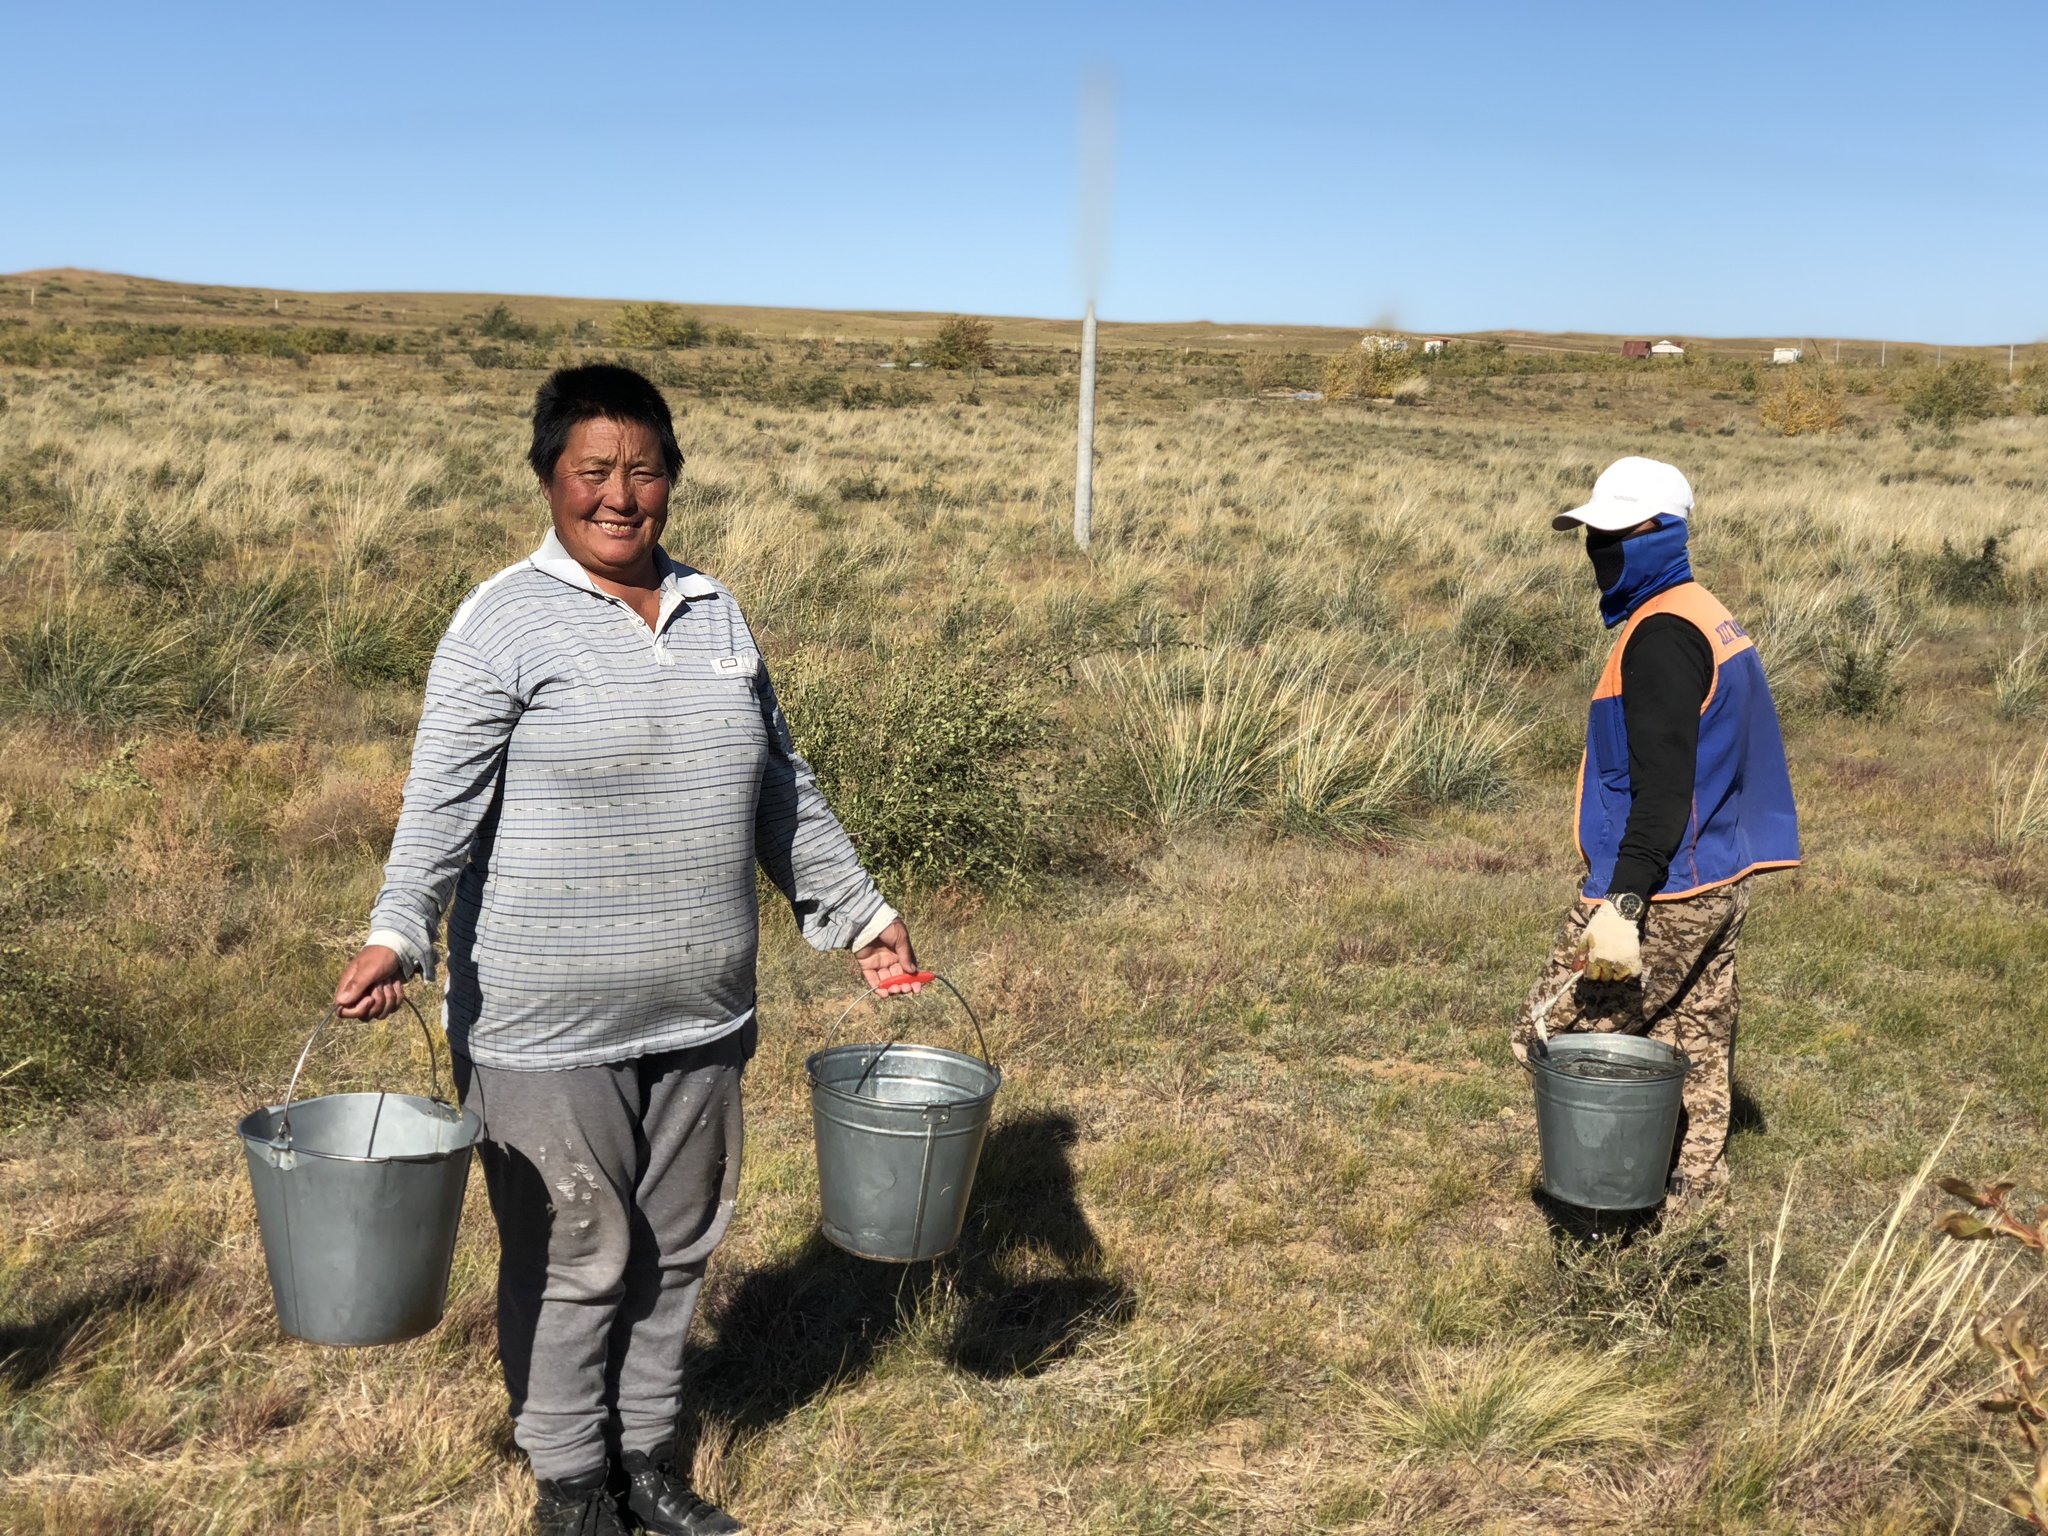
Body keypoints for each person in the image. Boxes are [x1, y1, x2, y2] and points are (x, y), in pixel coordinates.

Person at [333, 364, 923, 1536]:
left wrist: (858, 910)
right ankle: (568, 1481)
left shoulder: (716, 612)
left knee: (676, 1249)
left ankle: (647, 1458)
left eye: (642, 470)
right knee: (578, 1248)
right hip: (542, 1024)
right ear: (549, 476)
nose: (618, 495)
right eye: (591, 470)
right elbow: (439, 804)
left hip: (701, 1011)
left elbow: (780, 791)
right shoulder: (502, 617)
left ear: (671, 480)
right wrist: (397, 929)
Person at [1511, 456, 1800, 1215]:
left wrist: (1624, 903)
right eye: (1591, 533)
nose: (1599, 550)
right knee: (1693, 1045)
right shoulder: (1706, 612)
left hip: (1663, 886)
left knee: (1548, 1033)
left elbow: (1664, 787)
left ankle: (1595, 1199)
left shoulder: (1663, 635)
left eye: (1615, 532)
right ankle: (1690, 1205)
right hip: (1718, 880)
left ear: (1662, 532)